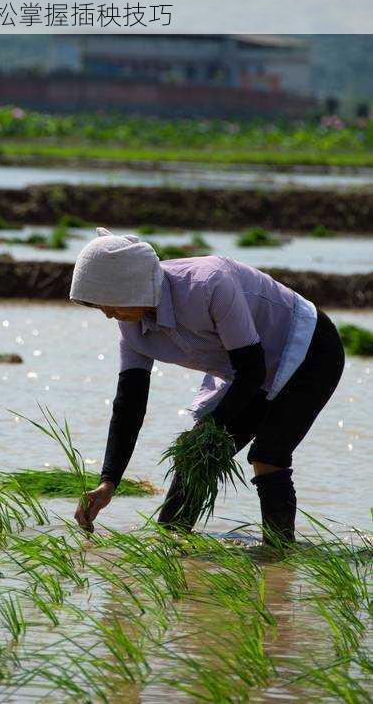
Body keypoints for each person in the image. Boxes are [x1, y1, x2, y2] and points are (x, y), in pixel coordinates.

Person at [69, 227, 345, 544]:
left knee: (268, 453)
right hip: (245, 369)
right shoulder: (131, 326)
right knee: (195, 456)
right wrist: (109, 482)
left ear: (135, 287)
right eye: (100, 306)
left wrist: (210, 428)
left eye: (112, 305)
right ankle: (170, 542)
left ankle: (278, 551)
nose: (107, 314)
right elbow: (129, 404)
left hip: (308, 349)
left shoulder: (208, 284)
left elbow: (251, 370)